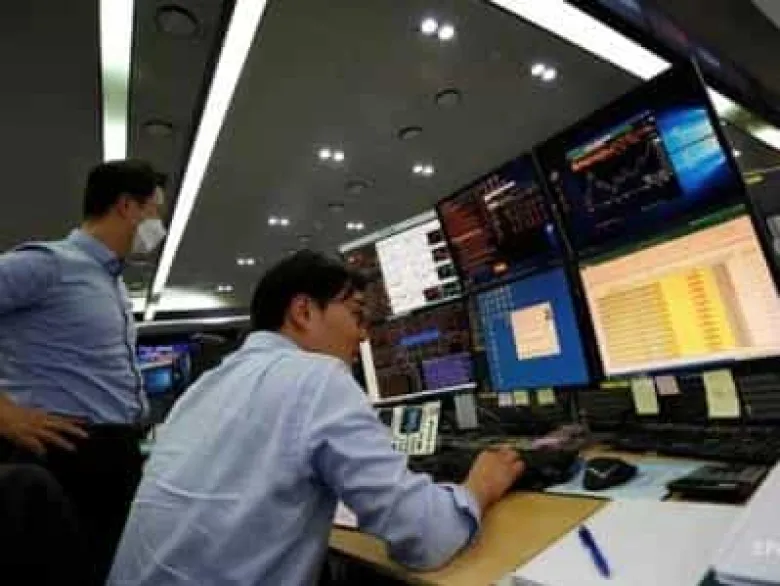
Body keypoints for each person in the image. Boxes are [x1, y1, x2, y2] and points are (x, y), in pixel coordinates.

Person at [109, 251, 524, 586]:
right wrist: (480, 486)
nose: (363, 335)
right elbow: (424, 538)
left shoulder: (204, 387)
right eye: (356, 314)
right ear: (303, 311)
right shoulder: (318, 377)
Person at [0, 159, 167, 583]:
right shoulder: (47, 264)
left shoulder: (111, 282)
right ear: (127, 206)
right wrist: (4, 413)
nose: (158, 224)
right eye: (155, 209)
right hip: (63, 451)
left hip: (114, 452)